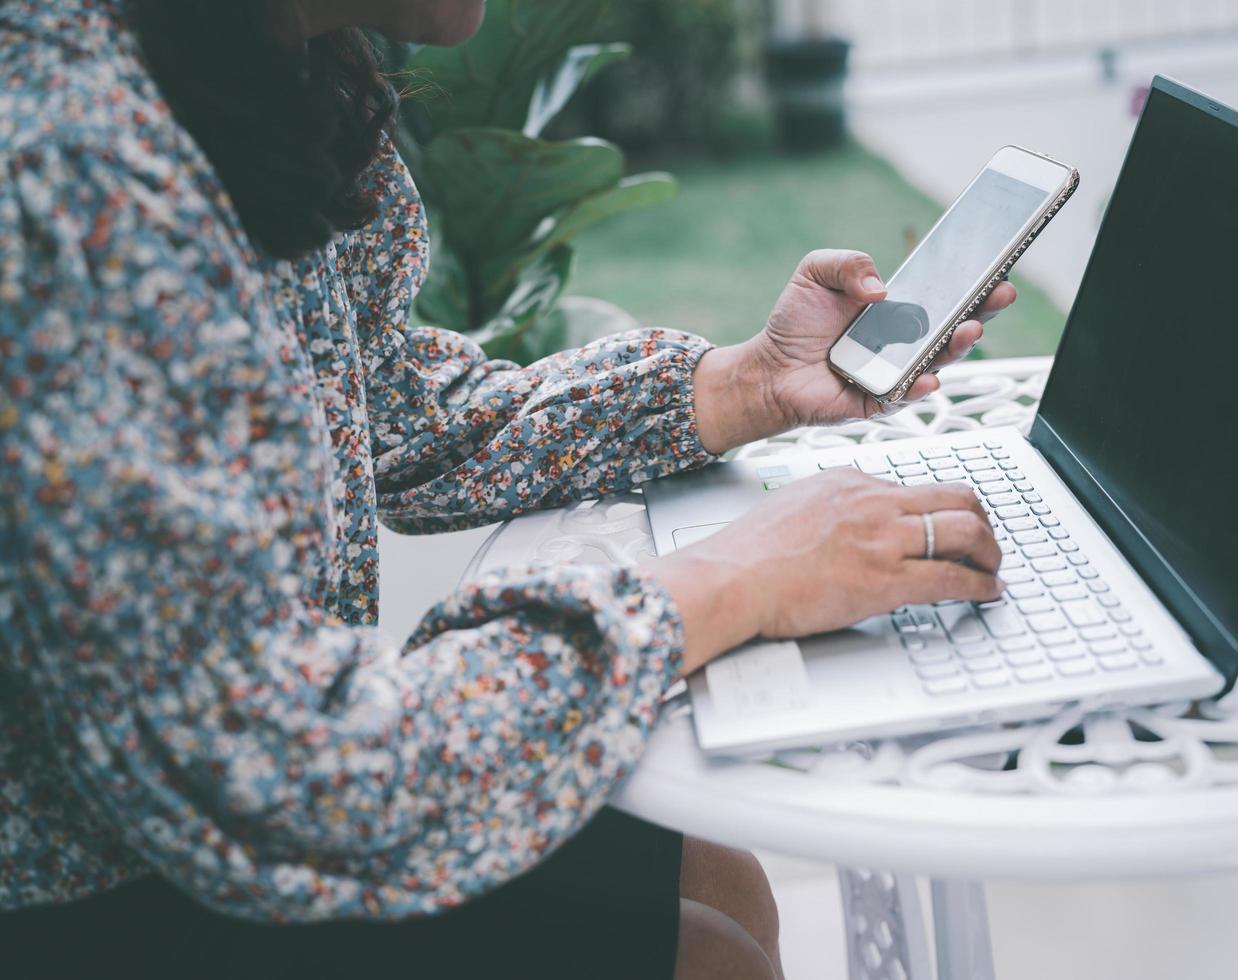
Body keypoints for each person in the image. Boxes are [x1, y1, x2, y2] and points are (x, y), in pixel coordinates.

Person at [0, 1, 1012, 976]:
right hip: (79, 886)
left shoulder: (258, 67)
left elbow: (397, 414)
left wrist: (747, 381)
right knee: (708, 955)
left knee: (715, 878)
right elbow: (271, 765)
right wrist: (735, 580)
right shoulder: (73, 168)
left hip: (196, 816)